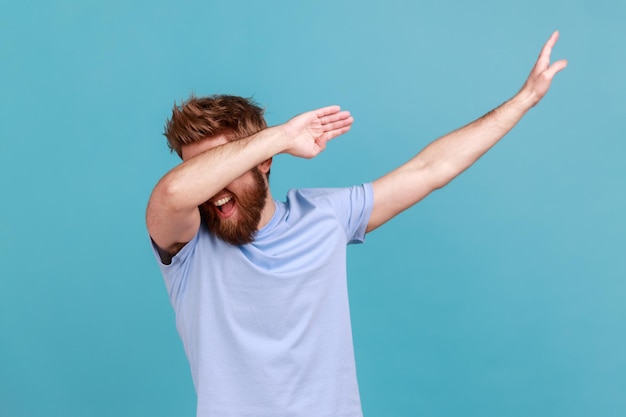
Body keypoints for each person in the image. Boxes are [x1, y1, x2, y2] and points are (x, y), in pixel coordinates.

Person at [146, 32, 567, 417]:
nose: (213, 188)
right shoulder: (186, 247)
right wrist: (278, 136)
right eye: (202, 171)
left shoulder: (325, 216)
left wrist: (523, 100)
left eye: (225, 165)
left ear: (265, 163)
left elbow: (430, 169)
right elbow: (171, 194)